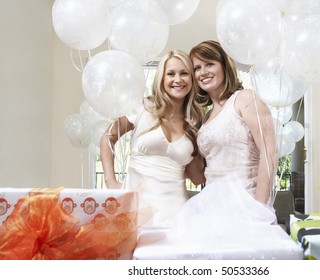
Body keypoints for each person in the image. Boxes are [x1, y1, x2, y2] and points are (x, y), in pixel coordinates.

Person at [132, 40, 303, 260]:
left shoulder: (245, 98)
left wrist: (259, 208)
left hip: (245, 204)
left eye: (209, 64)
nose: (203, 72)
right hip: (210, 208)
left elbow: (269, 153)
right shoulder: (206, 116)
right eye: (197, 68)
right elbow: (199, 172)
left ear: (224, 65)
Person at [100, 50, 205, 227]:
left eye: (184, 73)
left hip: (176, 215)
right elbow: (107, 137)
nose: (178, 80)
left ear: (192, 79)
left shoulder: (195, 121)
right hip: (135, 209)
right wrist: (111, 181)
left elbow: (197, 178)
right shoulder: (142, 107)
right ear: (161, 78)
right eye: (170, 74)